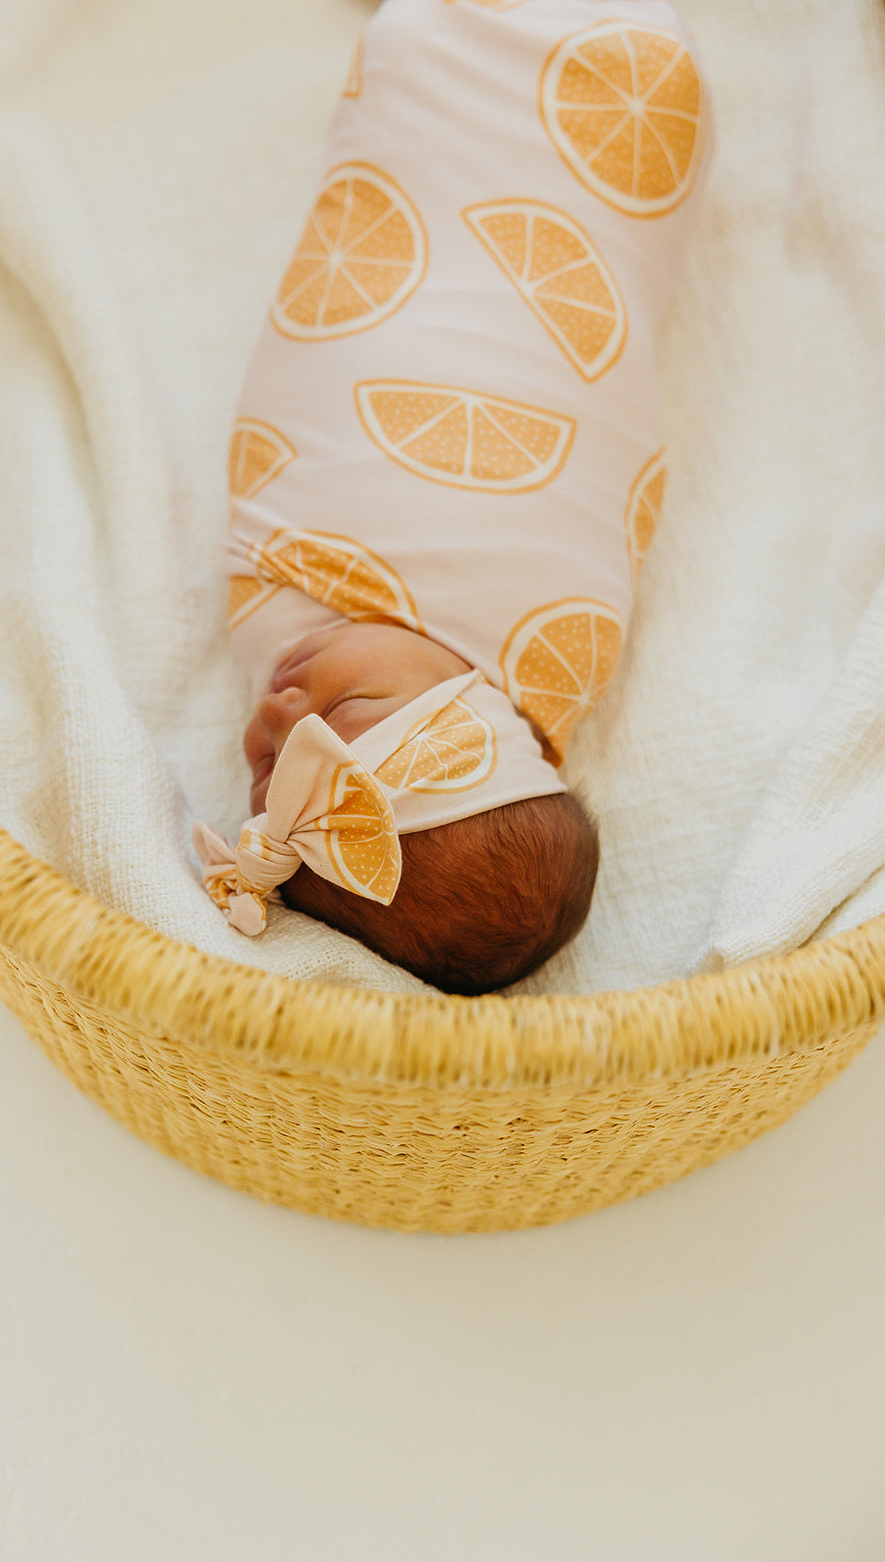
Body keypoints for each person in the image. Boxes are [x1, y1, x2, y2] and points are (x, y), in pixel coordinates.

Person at [195, 0, 710, 994]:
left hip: (422, 181)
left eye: (265, 772)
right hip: (599, 146)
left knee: (412, 69)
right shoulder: (550, 651)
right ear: (476, 712)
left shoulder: (286, 618)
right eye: (349, 708)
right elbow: (604, 445)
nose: (281, 705)